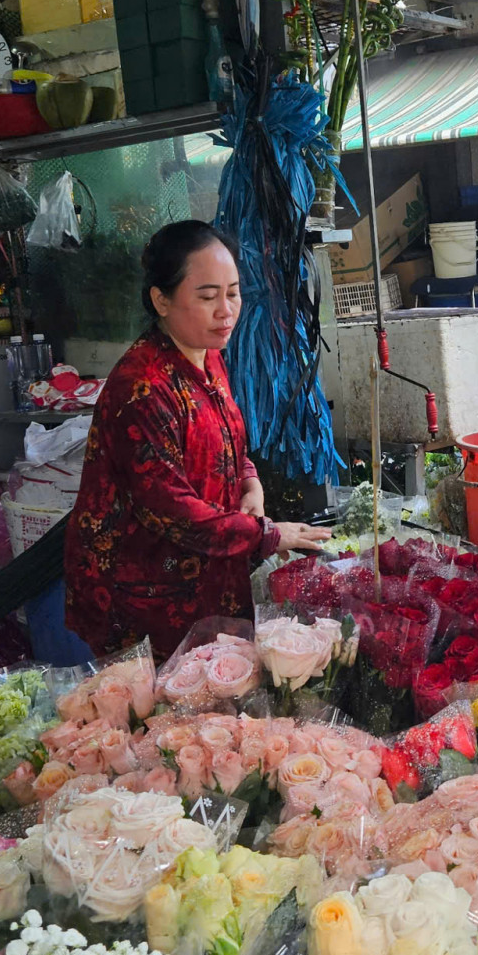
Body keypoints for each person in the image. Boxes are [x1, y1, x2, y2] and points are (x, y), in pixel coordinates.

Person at [64, 221, 330, 657]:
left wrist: (250, 483)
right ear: (161, 300)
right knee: (158, 714)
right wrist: (268, 535)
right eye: (207, 297)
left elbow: (231, 441)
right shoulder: (143, 388)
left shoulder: (207, 356)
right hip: (144, 591)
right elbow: (171, 509)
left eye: (233, 292)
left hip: (206, 572)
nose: (226, 310)